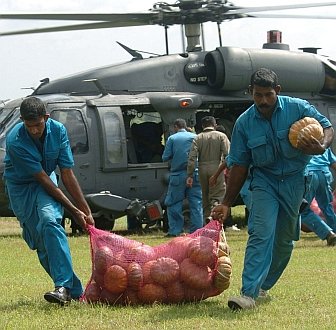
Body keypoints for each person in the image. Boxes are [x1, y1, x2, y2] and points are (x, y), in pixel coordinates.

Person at [211, 68, 334, 311]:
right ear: (250, 93)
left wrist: (322, 146)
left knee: (285, 241)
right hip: (264, 182)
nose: (263, 101)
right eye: (258, 95)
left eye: (268, 94)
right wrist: (226, 202)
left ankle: (263, 285)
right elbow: (240, 165)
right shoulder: (244, 123)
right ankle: (248, 293)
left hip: (295, 180)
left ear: (277, 91)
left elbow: (327, 127)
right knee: (261, 232)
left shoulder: (297, 108)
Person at [3, 97, 95, 305]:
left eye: (38, 125)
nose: (34, 130)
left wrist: (85, 210)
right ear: (22, 121)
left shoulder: (58, 130)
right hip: (21, 187)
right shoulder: (15, 140)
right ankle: (74, 291)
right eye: (29, 126)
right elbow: (42, 179)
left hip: (47, 182)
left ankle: (61, 287)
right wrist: (73, 210)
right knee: (40, 242)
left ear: (46, 117)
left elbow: (67, 172)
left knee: (50, 222)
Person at [162, 118, 203, 237]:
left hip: (178, 175)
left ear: (175, 127)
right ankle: (197, 231)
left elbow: (165, 156)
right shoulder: (195, 136)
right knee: (196, 203)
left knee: (173, 202)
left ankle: (175, 231)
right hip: (195, 174)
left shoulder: (172, 138)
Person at [187, 116, 230, 221]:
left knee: (205, 197)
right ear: (215, 125)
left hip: (202, 168)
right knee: (217, 195)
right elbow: (228, 155)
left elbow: (192, 158)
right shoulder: (221, 136)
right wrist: (229, 169)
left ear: (202, 126)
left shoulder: (197, 138)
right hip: (217, 168)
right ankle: (214, 217)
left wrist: (190, 174)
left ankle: (206, 217)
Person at [300, 148, 336, 246]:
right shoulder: (323, 141)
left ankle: (328, 233)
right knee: (327, 207)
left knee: (302, 209)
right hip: (324, 174)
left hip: (309, 174)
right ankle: (335, 231)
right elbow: (334, 163)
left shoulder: (302, 140)